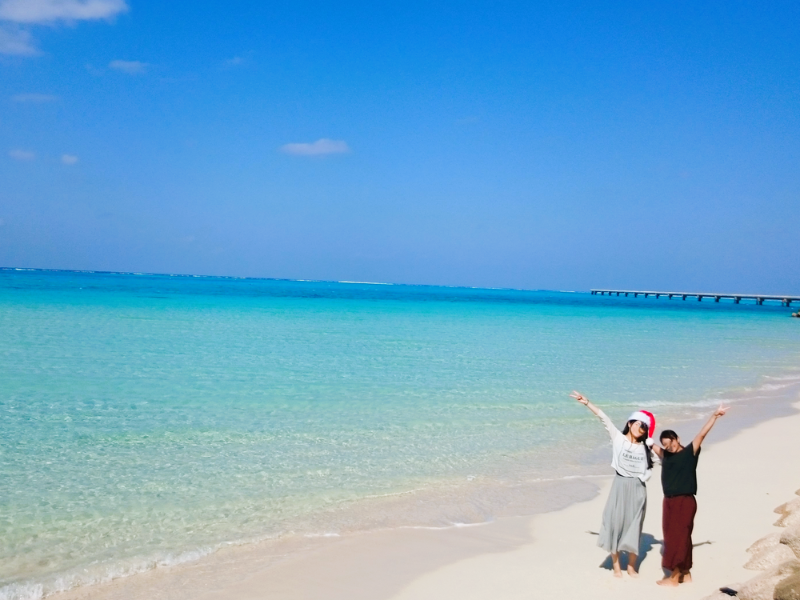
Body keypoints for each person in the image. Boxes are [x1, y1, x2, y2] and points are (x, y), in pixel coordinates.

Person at [571, 391, 658, 577]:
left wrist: (653, 446)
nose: (640, 429)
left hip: (637, 488)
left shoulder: (646, 447)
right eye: (638, 425)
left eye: (644, 427)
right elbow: (604, 418)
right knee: (614, 524)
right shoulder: (618, 438)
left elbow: (661, 460)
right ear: (630, 423)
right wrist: (587, 402)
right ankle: (617, 566)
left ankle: (632, 567)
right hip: (619, 486)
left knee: (634, 527)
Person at [652, 405, 729, 587]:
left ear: (677, 439)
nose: (669, 447)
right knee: (677, 537)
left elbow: (701, 434)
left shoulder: (689, 452)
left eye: (671, 443)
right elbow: (653, 447)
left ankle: (673, 577)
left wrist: (714, 416)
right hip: (669, 501)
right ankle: (686, 574)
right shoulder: (666, 456)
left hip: (685, 501)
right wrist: (645, 435)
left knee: (678, 537)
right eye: (665, 445)